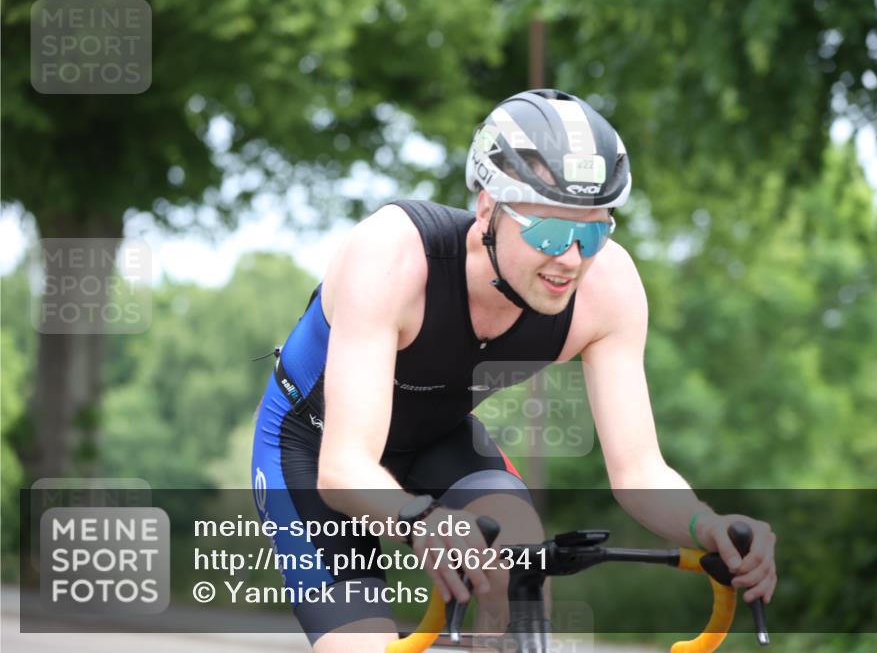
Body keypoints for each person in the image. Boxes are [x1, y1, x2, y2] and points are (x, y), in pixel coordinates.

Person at [251, 89, 777, 652]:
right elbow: (344, 466)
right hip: (314, 447)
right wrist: (422, 520)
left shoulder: (608, 290)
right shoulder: (394, 256)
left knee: (522, 560)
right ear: (488, 209)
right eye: (549, 232)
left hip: (437, 438)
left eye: (593, 231)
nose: (571, 259)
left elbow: (638, 469)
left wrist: (705, 525)